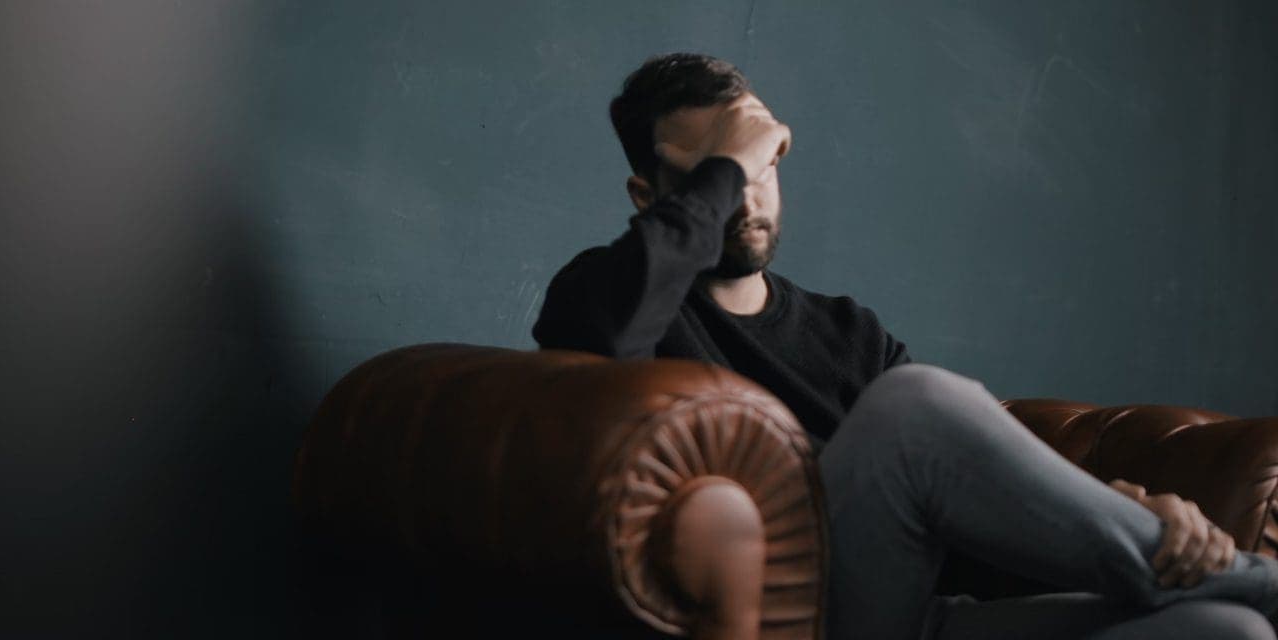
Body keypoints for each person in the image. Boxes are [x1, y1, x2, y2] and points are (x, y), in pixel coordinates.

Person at [531, 52, 1278, 639]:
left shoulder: (849, 332)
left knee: (1224, 629)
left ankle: (1225, 585)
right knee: (914, 405)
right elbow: (601, 342)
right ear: (648, 196)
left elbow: (967, 516)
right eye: (718, 178)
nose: (748, 197)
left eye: (762, 168)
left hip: (916, 619)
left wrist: (1114, 514)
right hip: (792, 621)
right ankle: (1256, 579)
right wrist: (730, 163)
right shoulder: (605, 296)